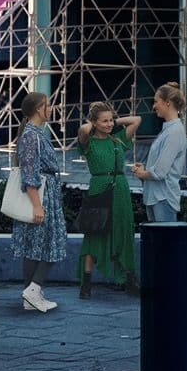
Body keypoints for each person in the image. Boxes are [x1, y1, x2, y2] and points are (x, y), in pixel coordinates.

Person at [76, 101, 141, 296]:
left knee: (123, 231)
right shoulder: (88, 143)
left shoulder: (117, 139)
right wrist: (94, 122)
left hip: (120, 188)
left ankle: (128, 279)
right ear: (94, 123)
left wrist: (112, 119)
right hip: (99, 188)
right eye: (104, 121)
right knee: (94, 233)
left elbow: (136, 120)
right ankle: (86, 284)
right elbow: (82, 130)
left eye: (111, 120)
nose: (109, 124)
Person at [11, 89, 67, 312]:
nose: (51, 108)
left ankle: (30, 294)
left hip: (44, 194)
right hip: (41, 196)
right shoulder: (32, 136)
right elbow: (30, 173)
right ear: (38, 109)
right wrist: (37, 205)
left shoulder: (34, 134)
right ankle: (33, 289)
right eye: (48, 104)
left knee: (34, 246)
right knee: (53, 243)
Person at [133, 84, 187, 222]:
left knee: (165, 242)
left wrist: (142, 173)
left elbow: (160, 171)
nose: (153, 106)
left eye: (156, 101)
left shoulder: (174, 132)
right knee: (158, 242)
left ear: (167, 102)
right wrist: (144, 170)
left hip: (164, 198)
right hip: (156, 197)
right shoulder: (168, 130)